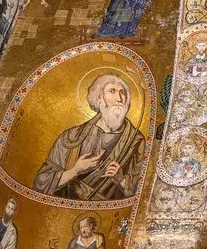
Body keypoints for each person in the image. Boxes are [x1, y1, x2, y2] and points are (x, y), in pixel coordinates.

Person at [31, 73, 145, 201]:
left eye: (123, 93)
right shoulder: (71, 137)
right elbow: (40, 183)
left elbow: (142, 191)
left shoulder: (135, 140)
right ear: (99, 97)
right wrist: (75, 170)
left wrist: (121, 179)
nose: (119, 99)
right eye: (112, 91)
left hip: (108, 213)